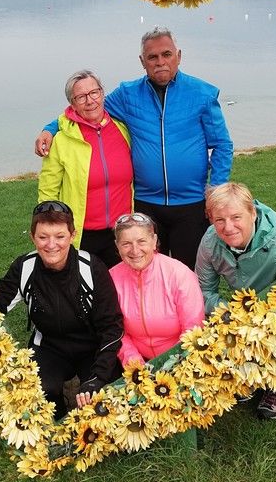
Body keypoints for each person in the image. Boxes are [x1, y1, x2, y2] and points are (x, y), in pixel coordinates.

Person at [36, 27, 233, 269]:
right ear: (142, 61)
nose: (160, 62)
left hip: (191, 204)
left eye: (166, 54)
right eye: (152, 57)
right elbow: (87, 110)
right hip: (145, 204)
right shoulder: (128, 94)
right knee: (144, 270)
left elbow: (222, 145)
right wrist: (50, 128)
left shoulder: (202, 94)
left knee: (188, 271)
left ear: (179, 56)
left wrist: (216, 189)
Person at [0, 201, 124, 418]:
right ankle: (58, 419)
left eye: (60, 236)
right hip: (48, 345)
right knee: (35, 394)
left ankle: (82, 389)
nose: (51, 245)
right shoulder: (24, 267)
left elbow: (112, 326)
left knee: (104, 397)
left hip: (90, 345)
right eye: (43, 237)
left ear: (72, 236)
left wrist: (97, 377)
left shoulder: (92, 267)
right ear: (32, 237)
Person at [195, 182, 276, 420]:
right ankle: (247, 373)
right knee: (215, 323)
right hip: (240, 307)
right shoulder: (210, 241)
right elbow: (203, 289)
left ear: (253, 213)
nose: (228, 227)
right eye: (219, 219)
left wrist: (257, 318)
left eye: (236, 217)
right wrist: (229, 313)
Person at [37, 70, 133, 268]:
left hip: (122, 232)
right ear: (72, 104)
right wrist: (51, 231)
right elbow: (47, 192)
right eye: (81, 97)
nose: (90, 101)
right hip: (82, 234)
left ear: (102, 93)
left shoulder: (123, 129)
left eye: (94, 93)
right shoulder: (61, 140)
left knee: (119, 286)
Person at [109, 212, 205, 367]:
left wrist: (171, 365)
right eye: (126, 244)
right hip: (134, 362)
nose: (135, 250)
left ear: (154, 241)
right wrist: (133, 361)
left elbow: (193, 328)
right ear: (117, 245)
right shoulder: (111, 278)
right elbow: (113, 328)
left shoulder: (179, 274)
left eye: (141, 241)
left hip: (180, 360)